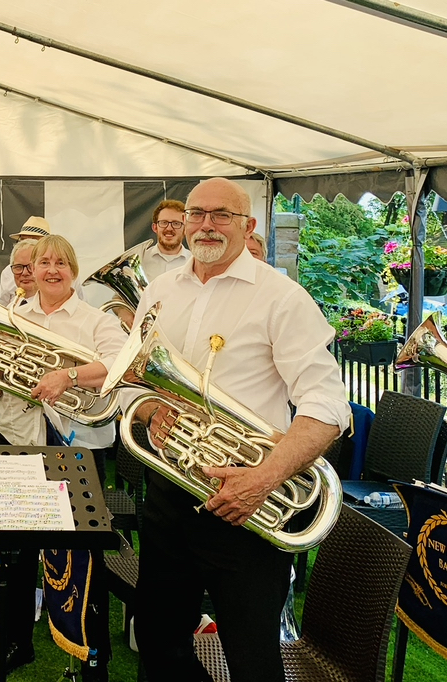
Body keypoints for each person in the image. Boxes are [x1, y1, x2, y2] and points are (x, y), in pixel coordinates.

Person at [128, 178, 349, 682]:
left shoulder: (282, 299)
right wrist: (146, 412)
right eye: (197, 213)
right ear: (183, 222)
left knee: (251, 655)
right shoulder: (158, 291)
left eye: (222, 215)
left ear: (248, 225)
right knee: (160, 641)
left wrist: (264, 478)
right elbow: (131, 383)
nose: (207, 224)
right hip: (169, 491)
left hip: (245, 500)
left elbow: (328, 404)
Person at [0, 235, 126, 681]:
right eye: (44, 263)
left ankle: (91, 653)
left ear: (73, 270)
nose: (52, 270)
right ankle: (16, 645)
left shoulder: (93, 320)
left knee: (84, 556)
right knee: (17, 555)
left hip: (77, 446)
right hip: (19, 441)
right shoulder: (12, 317)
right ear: (31, 270)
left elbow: (122, 362)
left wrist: (68, 375)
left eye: (61, 263)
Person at [0, 217, 83, 306]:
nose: (28, 243)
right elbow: (3, 304)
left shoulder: (66, 272)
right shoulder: (8, 272)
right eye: (23, 239)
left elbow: (79, 302)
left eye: (34, 240)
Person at [139, 199, 191, 283]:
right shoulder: (140, 261)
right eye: (164, 222)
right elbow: (120, 296)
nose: (169, 228)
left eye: (176, 223)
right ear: (155, 227)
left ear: (185, 229)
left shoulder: (195, 263)